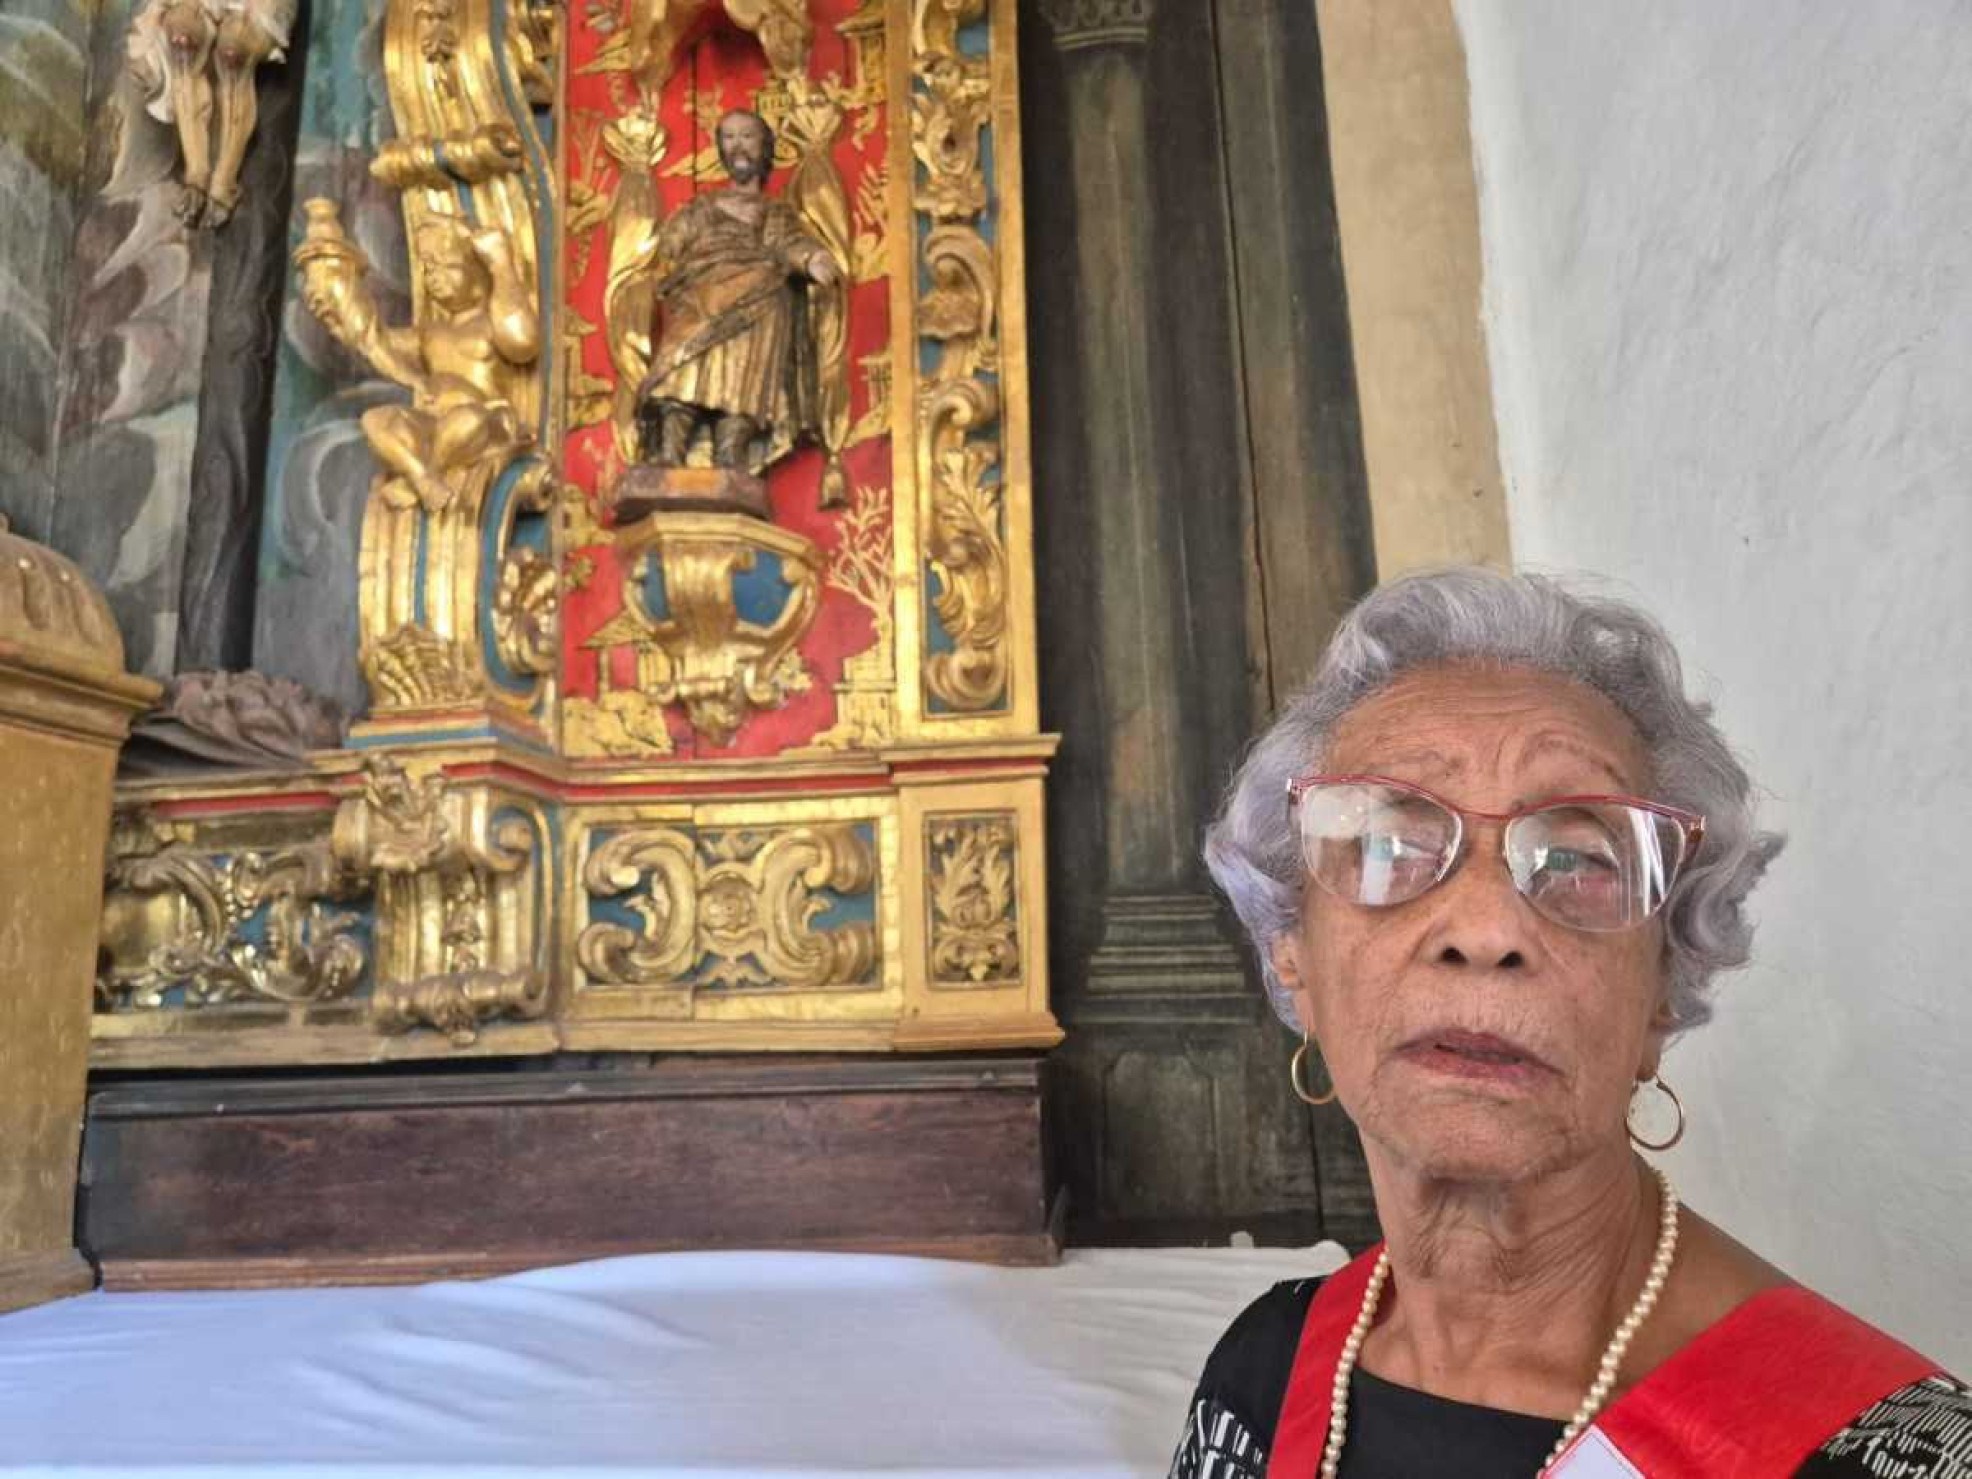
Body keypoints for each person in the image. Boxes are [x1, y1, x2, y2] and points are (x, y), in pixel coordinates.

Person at [1171, 568, 1969, 1477]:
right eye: (1389, 842)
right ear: (1292, 954)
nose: (1484, 929)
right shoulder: (1261, 1375)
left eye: (1578, 858)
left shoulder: (1892, 1456)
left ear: (1665, 983)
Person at [634, 108, 839, 476]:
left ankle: (731, 457)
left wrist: (811, 260)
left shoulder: (774, 211)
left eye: (747, 136)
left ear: (764, 147)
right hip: (703, 293)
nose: (738, 145)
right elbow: (671, 249)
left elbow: (789, 243)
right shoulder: (702, 207)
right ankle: (669, 452)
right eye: (729, 137)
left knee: (742, 380)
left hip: (758, 297)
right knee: (680, 365)